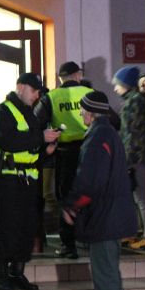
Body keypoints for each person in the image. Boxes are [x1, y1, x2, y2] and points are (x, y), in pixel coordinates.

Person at [63, 91, 136, 290]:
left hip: (105, 215)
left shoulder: (97, 137)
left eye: (83, 110)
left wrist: (72, 205)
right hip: (114, 214)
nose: (81, 114)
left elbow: (90, 179)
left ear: (91, 113)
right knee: (111, 270)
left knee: (104, 272)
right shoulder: (110, 133)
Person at [0, 73, 60, 290]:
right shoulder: (2, 111)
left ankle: (17, 273)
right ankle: (0, 276)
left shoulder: (29, 113)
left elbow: (30, 151)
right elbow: (7, 141)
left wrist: (47, 151)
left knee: (27, 227)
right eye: (34, 90)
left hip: (29, 178)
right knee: (8, 226)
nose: (37, 95)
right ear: (20, 87)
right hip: (8, 177)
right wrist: (41, 138)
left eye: (39, 91)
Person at [34, 61, 93, 259]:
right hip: (89, 150)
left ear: (60, 78)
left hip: (65, 153)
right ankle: (90, 239)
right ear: (78, 75)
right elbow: (113, 120)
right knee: (89, 193)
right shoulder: (89, 93)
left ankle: (69, 245)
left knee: (66, 197)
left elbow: (35, 123)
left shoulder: (52, 97)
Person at [113, 66, 145, 250]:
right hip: (135, 156)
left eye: (118, 84)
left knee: (141, 197)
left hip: (135, 157)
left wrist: (126, 160)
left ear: (126, 84)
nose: (115, 88)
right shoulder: (133, 101)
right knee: (136, 198)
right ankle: (135, 233)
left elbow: (131, 134)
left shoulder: (134, 101)